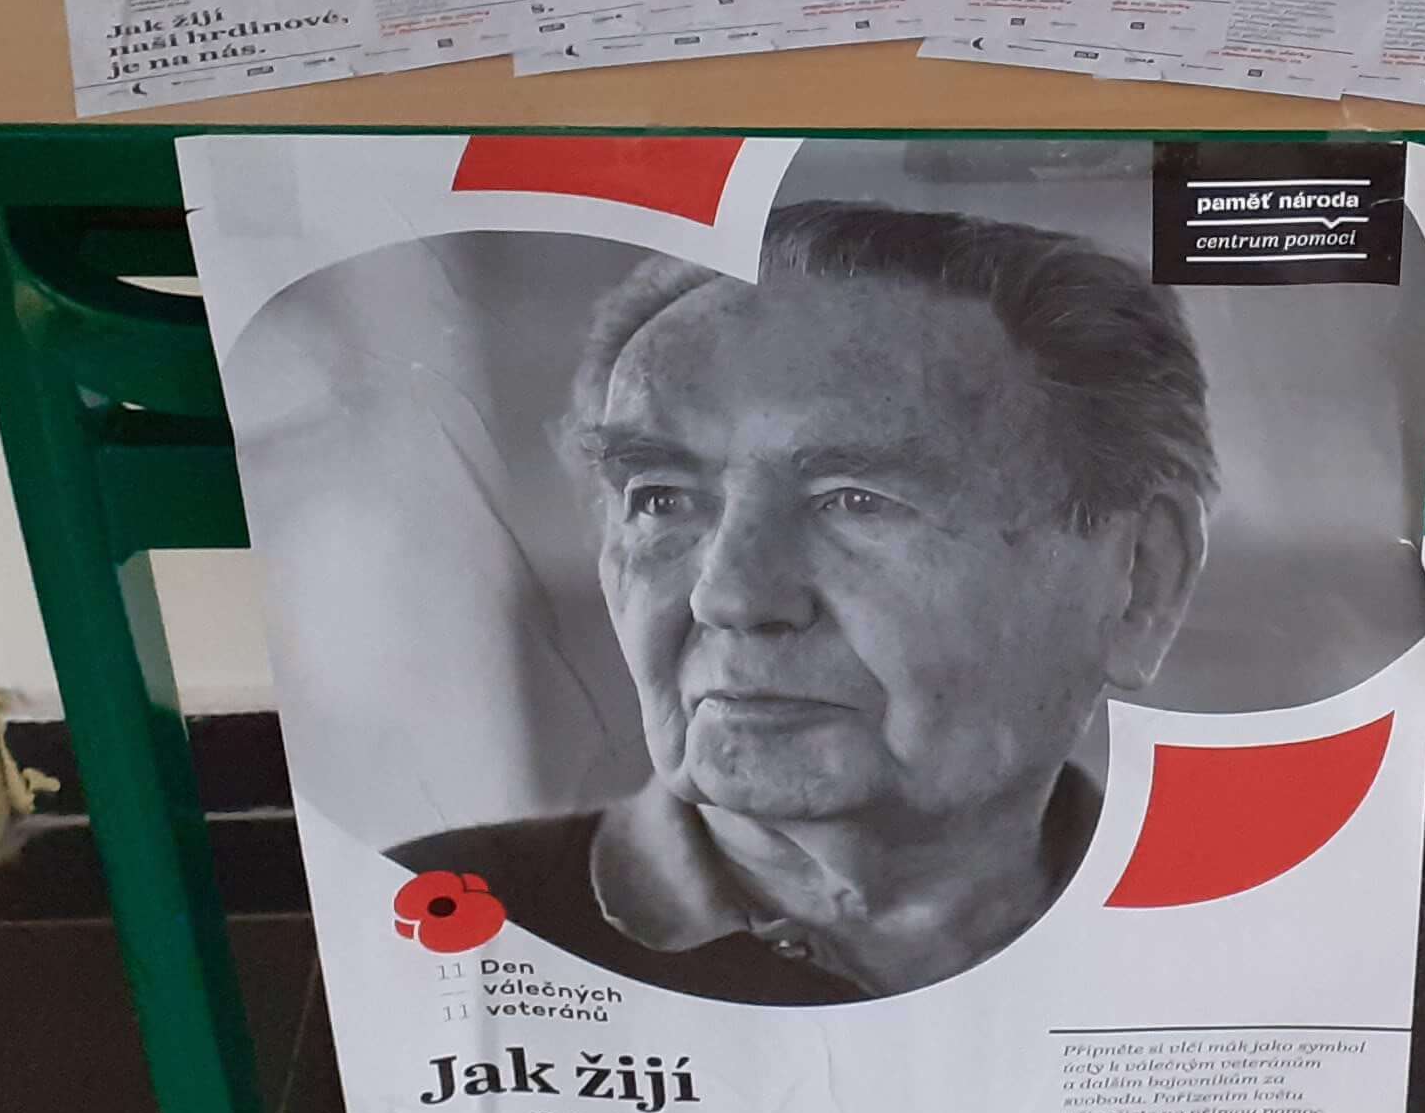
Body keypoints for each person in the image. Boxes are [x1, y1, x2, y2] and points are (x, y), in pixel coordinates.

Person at [392, 202, 1216, 1003]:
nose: (731, 597)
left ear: (1140, 578)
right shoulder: (413, 930)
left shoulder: (1233, 933)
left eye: (857, 501)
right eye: (662, 499)